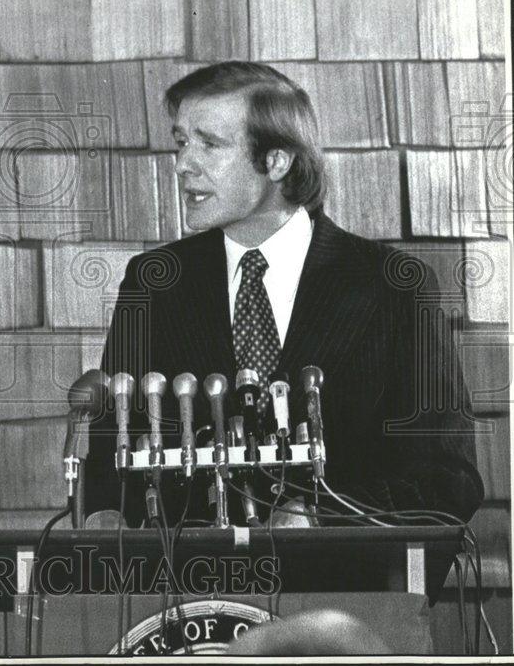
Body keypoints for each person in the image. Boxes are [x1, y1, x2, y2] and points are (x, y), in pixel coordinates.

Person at [83, 62, 485, 529]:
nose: (182, 165)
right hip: (188, 590)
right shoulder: (154, 281)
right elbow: (111, 459)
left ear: (276, 161)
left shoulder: (394, 283)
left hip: (348, 592)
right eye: (181, 142)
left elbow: (448, 478)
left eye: (209, 144)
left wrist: (318, 521)